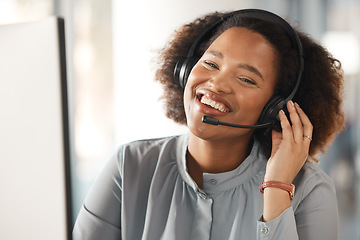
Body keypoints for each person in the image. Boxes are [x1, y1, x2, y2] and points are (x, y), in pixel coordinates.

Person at [73, 9, 345, 240]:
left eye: (246, 79)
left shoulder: (309, 189)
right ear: (185, 71)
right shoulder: (130, 166)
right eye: (211, 63)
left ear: (275, 109)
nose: (216, 83)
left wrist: (276, 189)